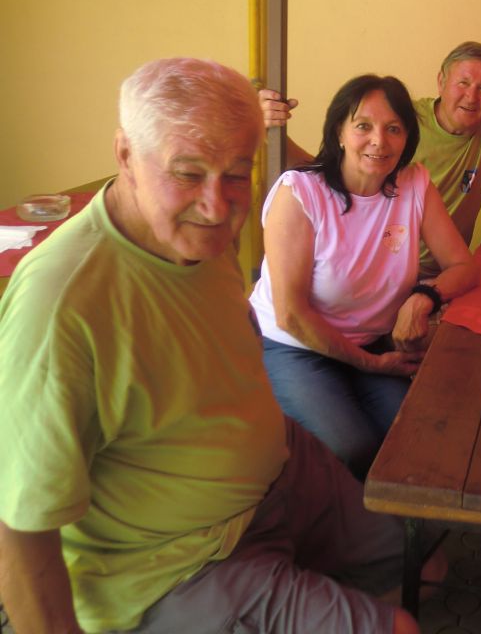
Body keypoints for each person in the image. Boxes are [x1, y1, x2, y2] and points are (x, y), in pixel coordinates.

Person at [0, 58, 431, 634]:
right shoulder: (61, 303)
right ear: (125, 154)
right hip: (177, 560)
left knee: (425, 564)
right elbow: (20, 532)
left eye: (236, 174)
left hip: (280, 472)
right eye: (187, 173)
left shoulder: (201, 237)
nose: (218, 205)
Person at [249, 74, 478, 480]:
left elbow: (463, 267)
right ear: (339, 131)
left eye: (394, 129)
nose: (379, 141)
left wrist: (422, 297)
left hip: (370, 343)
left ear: (407, 138)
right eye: (363, 126)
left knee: (414, 435)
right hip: (293, 346)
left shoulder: (414, 184)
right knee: (352, 447)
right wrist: (372, 364)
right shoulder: (300, 192)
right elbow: (291, 316)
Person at [261, 41, 481, 273]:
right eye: (463, 83)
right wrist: (271, 133)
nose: (471, 97)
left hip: (445, 269)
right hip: (381, 270)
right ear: (441, 82)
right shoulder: (400, 122)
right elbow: (326, 174)